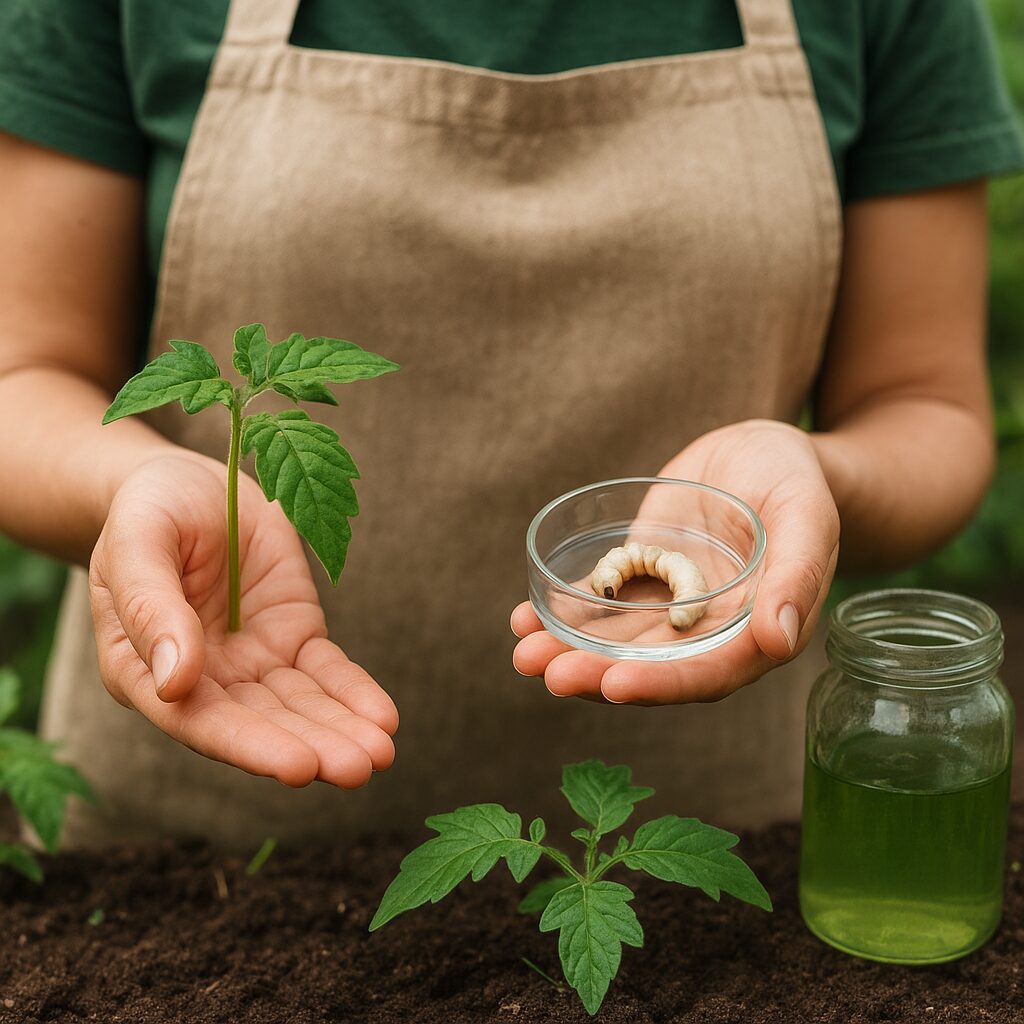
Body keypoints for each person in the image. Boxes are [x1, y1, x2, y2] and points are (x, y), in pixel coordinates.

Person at [0, 0, 1020, 847]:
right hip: (190, 866)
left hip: (711, 876)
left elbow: (925, 406)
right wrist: (133, 481)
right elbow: (24, 377)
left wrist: (820, 476)